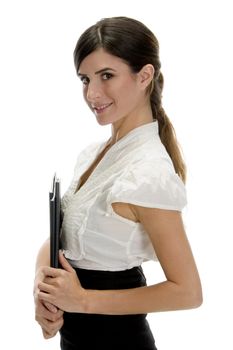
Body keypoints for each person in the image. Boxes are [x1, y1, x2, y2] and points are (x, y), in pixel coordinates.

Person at [34, 16, 202, 350]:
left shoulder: (147, 172)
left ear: (145, 76)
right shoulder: (95, 155)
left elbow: (188, 292)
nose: (92, 93)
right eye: (85, 79)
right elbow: (64, 241)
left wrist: (82, 300)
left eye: (106, 76)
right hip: (76, 340)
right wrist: (43, 285)